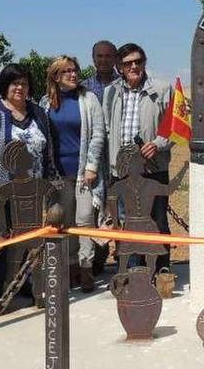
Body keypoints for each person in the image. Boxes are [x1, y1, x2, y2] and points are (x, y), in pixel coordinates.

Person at [0, 63, 57, 300]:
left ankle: (26, 283)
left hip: (33, 192)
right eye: (14, 83)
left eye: (24, 83)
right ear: (4, 85)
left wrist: (49, 182)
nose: (20, 87)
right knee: (3, 240)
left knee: (29, 241)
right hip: (1, 190)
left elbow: (48, 149)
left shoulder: (38, 112)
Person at [102, 43, 173, 273]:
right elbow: (105, 129)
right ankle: (135, 273)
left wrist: (159, 144)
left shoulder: (163, 89)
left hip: (154, 170)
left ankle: (161, 272)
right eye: (128, 63)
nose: (134, 66)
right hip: (121, 171)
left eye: (138, 61)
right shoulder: (110, 92)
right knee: (127, 225)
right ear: (120, 67)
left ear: (144, 63)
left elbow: (174, 128)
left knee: (158, 223)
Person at [40, 55, 105, 292]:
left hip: (83, 173)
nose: (73, 74)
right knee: (64, 220)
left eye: (75, 70)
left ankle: (86, 267)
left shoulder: (89, 99)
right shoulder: (45, 103)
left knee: (85, 219)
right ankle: (68, 267)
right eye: (67, 71)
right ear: (55, 77)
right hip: (57, 173)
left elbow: (98, 134)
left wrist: (92, 166)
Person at [81, 40, 118, 274]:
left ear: (114, 58)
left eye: (107, 56)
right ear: (93, 58)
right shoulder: (83, 88)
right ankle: (95, 261)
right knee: (92, 211)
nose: (103, 60)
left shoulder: (123, 85)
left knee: (118, 210)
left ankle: (125, 260)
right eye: (99, 56)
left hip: (116, 159)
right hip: (92, 161)